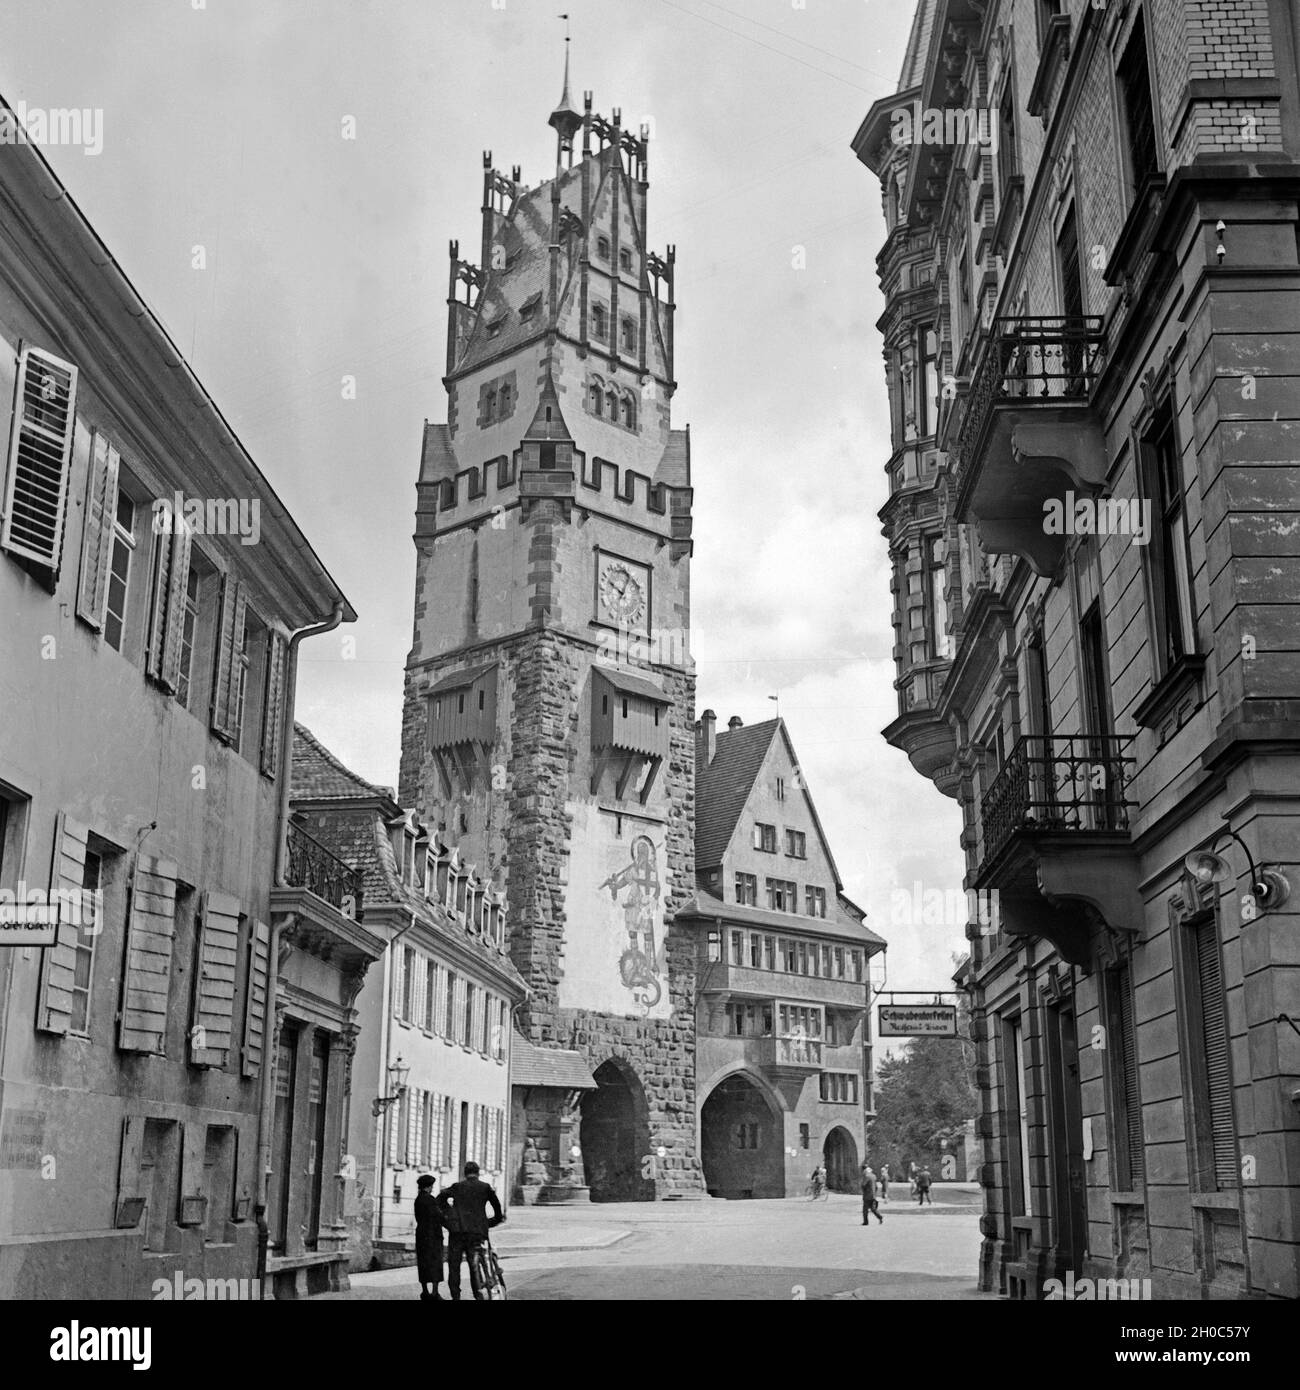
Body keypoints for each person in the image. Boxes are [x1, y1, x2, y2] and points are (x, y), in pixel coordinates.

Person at [436, 1161, 505, 1299]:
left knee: (454, 1266)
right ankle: (477, 1293)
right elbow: (497, 1208)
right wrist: (490, 1222)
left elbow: (439, 1200)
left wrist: (449, 1218)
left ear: (465, 1173)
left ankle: (456, 1296)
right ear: (478, 1173)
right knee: (474, 1265)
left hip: (457, 1232)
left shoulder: (457, 1187)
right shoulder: (485, 1187)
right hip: (477, 1232)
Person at [413, 1174, 445, 1300]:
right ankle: (435, 1292)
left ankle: (425, 1291)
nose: (432, 1188)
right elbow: (439, 1216)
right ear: (428, 1186)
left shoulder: (418, 1199)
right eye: (431, 1186)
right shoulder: (431, 1200)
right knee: (436, 1263)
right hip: (433, 1235)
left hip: (421, 1234)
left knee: (423, 1263)